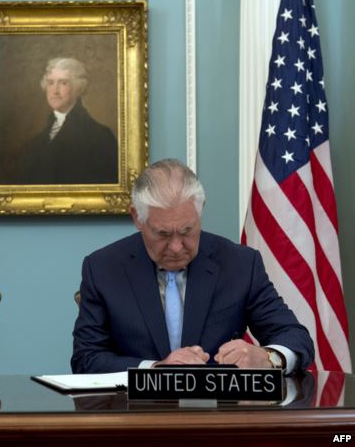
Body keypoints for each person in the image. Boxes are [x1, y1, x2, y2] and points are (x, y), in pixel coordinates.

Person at [71, 158, 314, 375]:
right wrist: (155, 369)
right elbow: (86, 358)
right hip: (135, 407)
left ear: (201, 209)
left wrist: (269, 358)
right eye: (163, 234)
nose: (177, 247)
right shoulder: (103, 268)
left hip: (219, 407)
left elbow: (296, 338)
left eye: (187, 231)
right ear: (137, 218)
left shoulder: (239, 264)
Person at [5, 57, 118, 185]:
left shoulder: (100, 136)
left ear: (78, 89)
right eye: (50, 83)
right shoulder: (37, 141)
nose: (55, 91)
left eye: (63, 83)